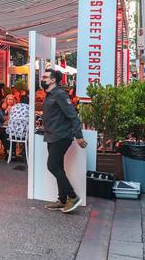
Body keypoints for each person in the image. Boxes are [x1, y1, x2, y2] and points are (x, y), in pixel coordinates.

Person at [41, 68, 86, 214]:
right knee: (58, 167)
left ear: (53, 80)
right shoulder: (49, 95)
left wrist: (78, 136)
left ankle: (72, 197)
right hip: (51, 136)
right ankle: (62, 200)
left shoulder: (60, 94)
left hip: (61, 136)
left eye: (45, 77)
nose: (42, 79)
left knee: (52, 166)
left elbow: (73, 116)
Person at [7, 95, 30, 160]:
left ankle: (13, 153)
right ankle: (24, 154)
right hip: (23, 135)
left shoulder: (14, 107)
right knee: (32, 134)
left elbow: (9, 118)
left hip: (12, 133)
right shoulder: (29, 108)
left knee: (13, 133)